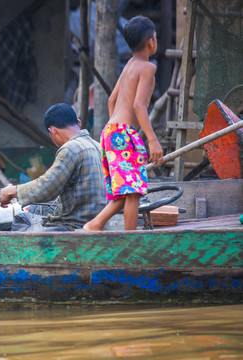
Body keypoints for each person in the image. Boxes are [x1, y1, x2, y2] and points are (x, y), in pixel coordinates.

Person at [83, 16, 163, 231]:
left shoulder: (129, 65)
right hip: (123, 134)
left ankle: (95, 224)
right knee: (134, 193)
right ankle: (130, 242)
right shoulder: (147, 67)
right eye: (155, 36)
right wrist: (152, 140)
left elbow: (112, 100)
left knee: (125, 192)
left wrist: (116, 130)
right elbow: (139, 105)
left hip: (111, 132)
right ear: (150, 41)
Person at [0, 103, 106, 231]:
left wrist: (12, 191)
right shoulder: (99, 147)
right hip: (99, 221)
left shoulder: (71, 149)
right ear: (79, 122)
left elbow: (47, 187)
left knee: (21, 220)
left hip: (74, 226)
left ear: (52, 130)